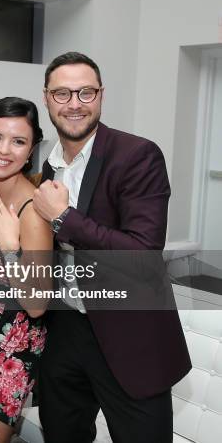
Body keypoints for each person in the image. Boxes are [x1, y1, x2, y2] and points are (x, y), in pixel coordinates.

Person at [32, 51, 191, 442]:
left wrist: (63, 217)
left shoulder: (137, 155)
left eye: (85, 93)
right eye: (62, 94)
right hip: (65, 327)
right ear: (47, 98)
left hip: (129, 331)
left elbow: (142, 253)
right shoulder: (47, 164)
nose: (74, 104)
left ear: (101, 95)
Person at [0, 97, 52, 443]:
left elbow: (36, 304)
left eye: (18, 141)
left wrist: (10, 246)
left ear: (31, 149)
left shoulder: (33, 210)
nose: (4, 150)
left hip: (10, 347)